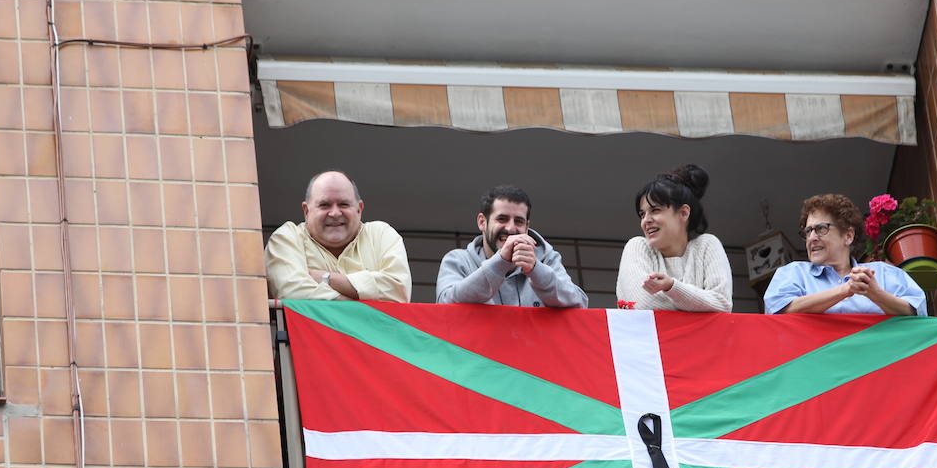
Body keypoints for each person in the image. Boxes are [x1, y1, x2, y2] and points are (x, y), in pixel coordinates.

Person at [763, 193, 925, 316]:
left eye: (821, 229)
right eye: (808, 231)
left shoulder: (883, 273)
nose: (812, 238)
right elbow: (776, 311)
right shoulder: (793, 273)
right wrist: (845, 290)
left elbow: (919, 313)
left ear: (848, 236)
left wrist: (876, 294)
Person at [265, 170, 412, 302]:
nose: (335, 213)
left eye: (343, 204)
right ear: (306, 211)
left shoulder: (381, 234)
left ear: (359, 209)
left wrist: (327, 279)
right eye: (324, 205)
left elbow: (398, 290)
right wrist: (358, 304)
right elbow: (291, 292)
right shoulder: (287, 238)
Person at [436, 185, 588, 308]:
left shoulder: (546, 258)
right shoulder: (458, 260)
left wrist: (536, 269)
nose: (510, 229)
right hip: (475, 347)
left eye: (519, 221)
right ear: (482, 222)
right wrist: (500, 261)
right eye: (502, 219)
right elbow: (444, 305)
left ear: (527, 226)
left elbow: (579, 304)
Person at [616, 164, 732, 312]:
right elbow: (642, 304)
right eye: (642, 214)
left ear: (684, 213)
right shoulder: (637, 247)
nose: (646, 220)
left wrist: (672, 287)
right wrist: (700, 303)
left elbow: (722, 304)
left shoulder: (708, 245)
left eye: (655, 210)